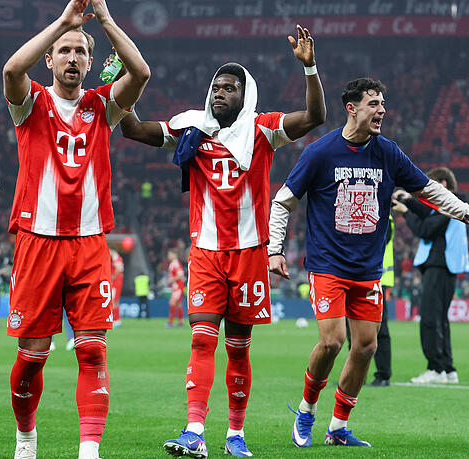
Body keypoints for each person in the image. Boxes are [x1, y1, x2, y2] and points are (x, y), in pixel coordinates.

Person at [119, 24, 325, 458]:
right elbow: (133, 130)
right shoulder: (191, 128)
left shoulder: (263, 129)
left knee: (238, 348)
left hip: (249, 255)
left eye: (230, 88)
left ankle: (235, 434)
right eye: (216, 86)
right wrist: (123, 80)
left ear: (246, 95)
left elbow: (314, 118)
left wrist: (309, 69)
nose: (219, 93)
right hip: (206, 254)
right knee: (200, 340)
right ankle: (195, 431)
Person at [268, 78, 469, 448]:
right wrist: (274, 250)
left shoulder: (387, 152)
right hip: (328, 265)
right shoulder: (320, 152)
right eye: (374, 103)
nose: (382, 110)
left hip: (367, 269)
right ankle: (307, 409)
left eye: (383, 104)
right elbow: (283, 201)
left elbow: (430, 190)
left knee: (366, 347)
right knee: (332, 341)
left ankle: (338, 426)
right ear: (352, 108)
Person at [1, 0, 150, 457]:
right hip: (37, 243)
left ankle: (89, 450)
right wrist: (64, 23)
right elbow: (11, 69)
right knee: (32, 357)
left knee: (92, 351)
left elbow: (140, 73)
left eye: (80, 53)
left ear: (90, 62)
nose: (71, 58)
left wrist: (103, 20)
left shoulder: (102, 106)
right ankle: (27, 435)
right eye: (63, 51)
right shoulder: (31, 105)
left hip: (88, 244)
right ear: (50, 59)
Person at [392, 167, 468, 384]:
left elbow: (426, 228)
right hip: (445, 266)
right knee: (440, 319)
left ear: (442, 184)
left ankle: (435, 368)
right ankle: (447, 368)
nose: (426, 193)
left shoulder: (449, 204)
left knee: (429, 318)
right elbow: (427, 211)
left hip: (439, 265)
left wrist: (405, 212)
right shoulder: (451, 205)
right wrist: (407, 199)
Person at [368, 217, 394, 387]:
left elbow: (381, 239)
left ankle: (383, 374)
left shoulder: (386, 217)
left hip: (378, 279)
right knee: (351, 327)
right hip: (361, 276)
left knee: (380, 328)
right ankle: (356, 375)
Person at [166, 249, 185, 327]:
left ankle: (170, 322)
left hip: (178, 287)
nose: (168, 256)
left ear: (175, 255)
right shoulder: (172, 264)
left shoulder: (176, 264)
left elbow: (181, 275)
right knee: (178, 304)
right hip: (176, 287)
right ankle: (181, 322)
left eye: (170, 254)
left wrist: (172, 279)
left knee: (172, 302)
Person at [110, 249, 124, 327]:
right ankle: (117, 320)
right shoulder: (119, 259)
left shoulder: (116, 259)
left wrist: (113, 277)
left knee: (113, 301)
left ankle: (116, 320)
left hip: (116, 283)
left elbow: (118, 269)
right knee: (115, 301)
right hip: (118, 282)